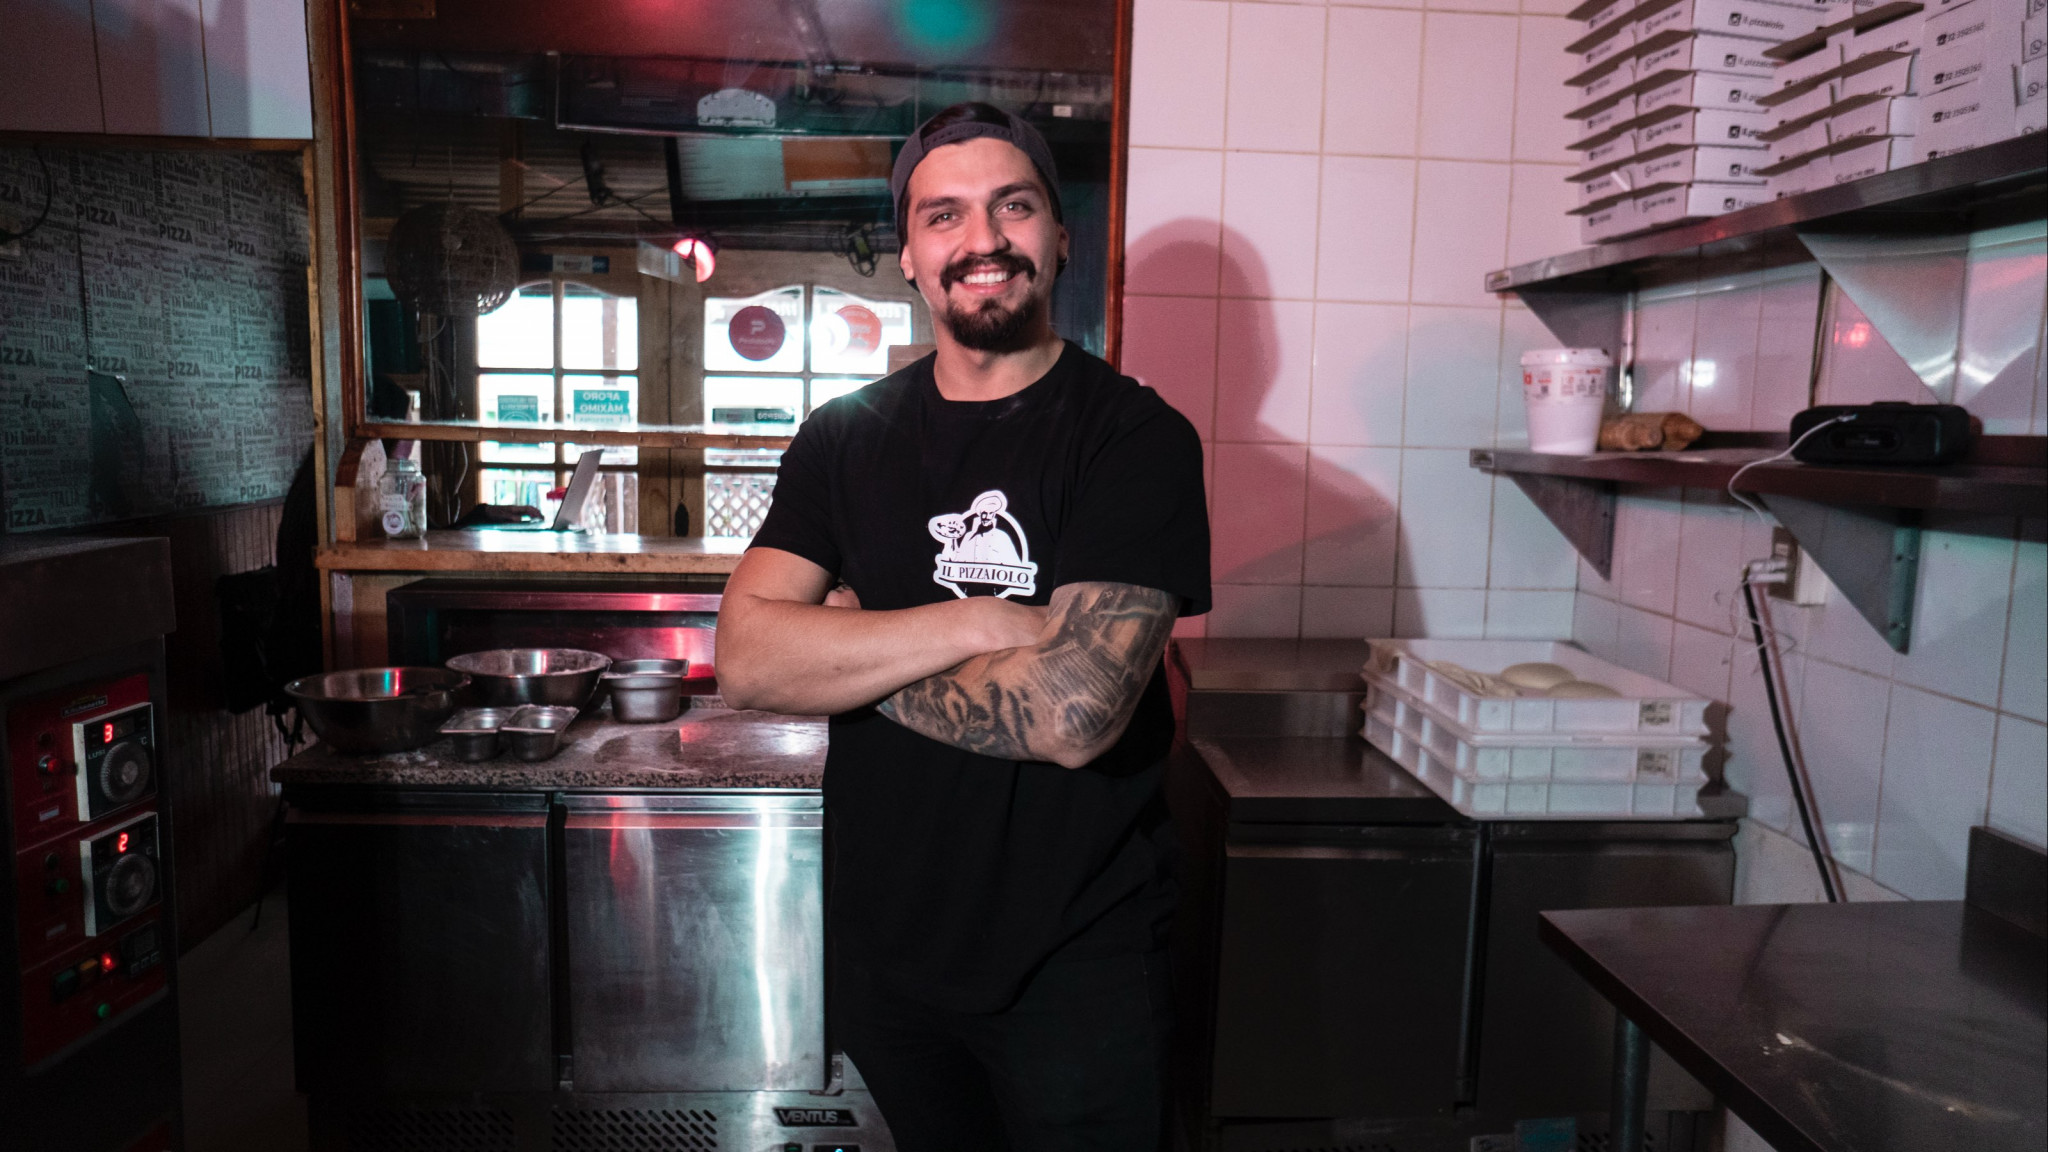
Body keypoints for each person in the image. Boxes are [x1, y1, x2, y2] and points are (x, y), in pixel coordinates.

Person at [714, 102, 1210, 1152]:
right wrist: (976, 622)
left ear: (1059, 235)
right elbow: (747, 661)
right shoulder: (842, 439)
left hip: (1080, 959)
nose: (982, 239)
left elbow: (1072, 712)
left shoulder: (1135, 438)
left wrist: (849, 649)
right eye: (943, 215)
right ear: (908, 255)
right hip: (890, 949)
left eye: (1012, 206)